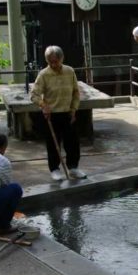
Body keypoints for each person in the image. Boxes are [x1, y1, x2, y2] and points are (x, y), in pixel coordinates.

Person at [30, 45, 86, 181]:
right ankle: (54, 169)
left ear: (62, 58)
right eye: (50, 62)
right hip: (52, 114)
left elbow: (75, 93)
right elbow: (34, 95)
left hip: (67, 112)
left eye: (56, 61)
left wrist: (73, 110)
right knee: (53, 144)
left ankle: (73, 168)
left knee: (72, 142)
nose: (53, 64)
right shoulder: (44, 74)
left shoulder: (69, 71)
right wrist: (43, 105)